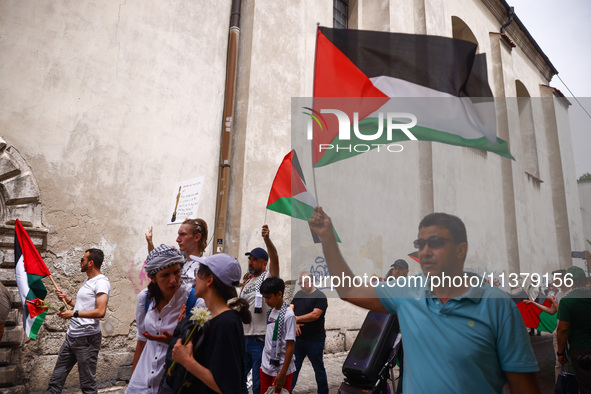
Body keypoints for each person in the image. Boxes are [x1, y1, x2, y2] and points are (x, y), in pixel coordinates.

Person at [308, 207, 540, 393]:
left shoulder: (497, 306)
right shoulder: (407, 291)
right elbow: (350, 290)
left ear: (461, 250)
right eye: (421, 244)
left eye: (436, 243)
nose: (426, 251)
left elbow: (523, 386)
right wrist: (327, 238)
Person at [126, 245, 205, 394]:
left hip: (173, 383)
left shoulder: (194, 302)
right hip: (141, 381)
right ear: (152, 278)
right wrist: (133, 379)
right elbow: (141, 342)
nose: (173, 280)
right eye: (165, 275)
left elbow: (200, 349)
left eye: (176, 272)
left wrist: (173, 342)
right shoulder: (145, 299)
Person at [171, 253, 251, 393]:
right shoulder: (212, 317)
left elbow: (228, 387)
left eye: (198, 273)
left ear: (209, 280)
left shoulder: (227, 323)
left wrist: (187, 361)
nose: (195, 278)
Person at [46, 248, 110, 394]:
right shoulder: (88, 281)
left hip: (87, 339)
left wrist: (73, 314)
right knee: (56, 380)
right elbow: (83, 307)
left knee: (87, 385)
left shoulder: (101, 282)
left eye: (83, 260)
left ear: (91, 263)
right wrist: (68, 299)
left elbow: (100, 311)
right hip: (72, 336)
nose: (80, 262)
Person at [240, 225, 279, 394]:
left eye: (254, 260)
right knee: (237, 377)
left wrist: (267, 240)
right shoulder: (247, 281)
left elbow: (275, 258)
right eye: (249, 259)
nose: (250, 262)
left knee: (258, 382)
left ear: (264, 264)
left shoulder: (267, 279)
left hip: (259, 339)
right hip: (244, 336)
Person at [524, 268, 568, 381]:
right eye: (554, 279)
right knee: (559, 364)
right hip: (558, 333)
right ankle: (561, 387)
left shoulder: (569, 294)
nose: (554, 281)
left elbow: (560, 309)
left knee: (568, 361)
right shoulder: (559, 295)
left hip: (567, 332)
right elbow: (552, 311)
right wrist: (533, 303)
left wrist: (552, 301)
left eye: (557, 279)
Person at [290, 272, 329, 393]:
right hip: (299, 339)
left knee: (318, 369)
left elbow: (315, 315)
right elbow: (291, 307)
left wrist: (296, 319)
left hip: (315, 340)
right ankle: (287, 390)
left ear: (311, 281)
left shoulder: (320, 296)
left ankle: (323, 392)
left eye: (304, 282)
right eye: (300, 282)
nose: (301, 285)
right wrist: (295, 322)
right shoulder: (299, 294)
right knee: (293, 368)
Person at [556, 264, 591, 393]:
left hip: (580, 349)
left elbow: (563, 329)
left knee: (586, 384)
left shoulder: (567, 301)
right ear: (584, 280)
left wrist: (560, 352)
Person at [260, 276, 296, 394]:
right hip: (266, 367)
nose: (266, 301)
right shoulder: (270, 311)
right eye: (264, 297)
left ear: (279, 294)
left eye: (268, 297)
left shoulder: (289, 316)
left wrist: (283, 373)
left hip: (281, 370)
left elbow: (290, 345)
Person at [146, 218, 209, 284]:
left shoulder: (205, 266)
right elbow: (156, 263)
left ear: (197, 237)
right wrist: (150, 242)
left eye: (183, 234)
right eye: (178, 234)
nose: (177, 239)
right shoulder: (178, 262)